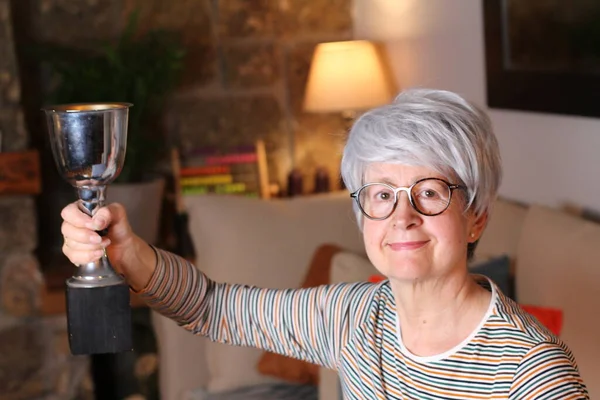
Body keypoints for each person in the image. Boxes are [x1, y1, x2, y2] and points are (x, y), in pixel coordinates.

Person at [60, 89, 589, 399]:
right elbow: (212, 308)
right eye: (382, 194)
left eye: (429, 192)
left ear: (475, 216)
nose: (401, 217)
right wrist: (127, 253)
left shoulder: (533, 372)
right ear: (363, 215)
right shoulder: (352, 317)